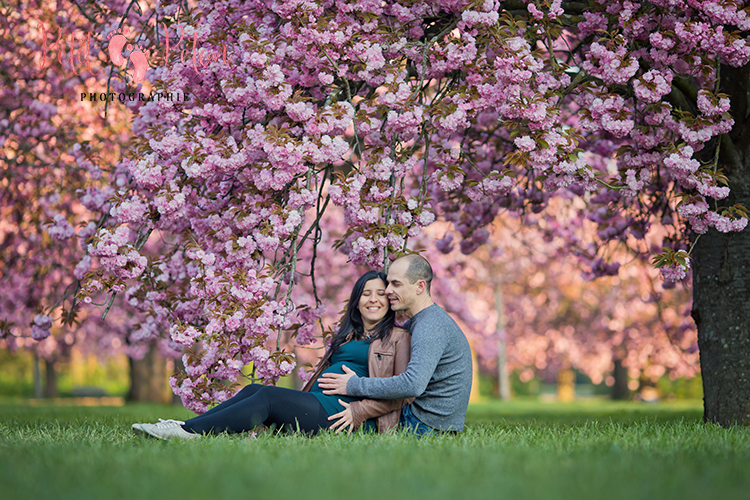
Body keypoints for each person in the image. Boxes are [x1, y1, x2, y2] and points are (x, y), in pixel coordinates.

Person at [131, 270, 412, 440]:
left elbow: (403, 392)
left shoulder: (398, 337)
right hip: (317, 403)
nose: (373, 299)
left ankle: (190, 433)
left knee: (267, 397)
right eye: (365, 294)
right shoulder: (349, 334)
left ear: (389, 300)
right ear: (356, 301)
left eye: (380, 294)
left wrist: (357, 409)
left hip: (341, 416)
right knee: (255, 387)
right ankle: (186, 426)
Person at [318, 254, 473, 434]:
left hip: (422, 424)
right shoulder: (417, 323)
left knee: (330, 411)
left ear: (420, 286)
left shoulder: (430, 326)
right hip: (419, 417)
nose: (388, 290)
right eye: (389, 283)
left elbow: (412, 385)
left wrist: (353, 385)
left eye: (396, 284)